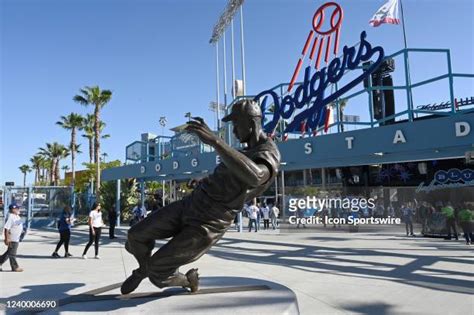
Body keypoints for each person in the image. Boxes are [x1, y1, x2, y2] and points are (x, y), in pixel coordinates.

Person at [121, 99, 280, 295]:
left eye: (236, 124)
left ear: (251, 122)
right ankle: (144, 268)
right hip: (191, 204)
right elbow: (229, 177)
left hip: (209, 222)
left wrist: (215, 141)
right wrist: (203, 180)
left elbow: (256, 176)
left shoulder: (268, 152)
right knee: (135, 235)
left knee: (158, 273)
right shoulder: (243, 149)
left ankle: (187, 281)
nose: (234, 131)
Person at [0, 204, 24, 272]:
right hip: (12, 238)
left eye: (18, 208)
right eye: (16, 209)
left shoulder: (17, 216)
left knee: (9, 253)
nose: (17, 210)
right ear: (12, 210)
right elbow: (6, 228)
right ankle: (15, 267)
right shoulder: (11, 217)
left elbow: (19, 225)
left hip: (17, 238)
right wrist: (7, 238)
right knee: (12, 254)